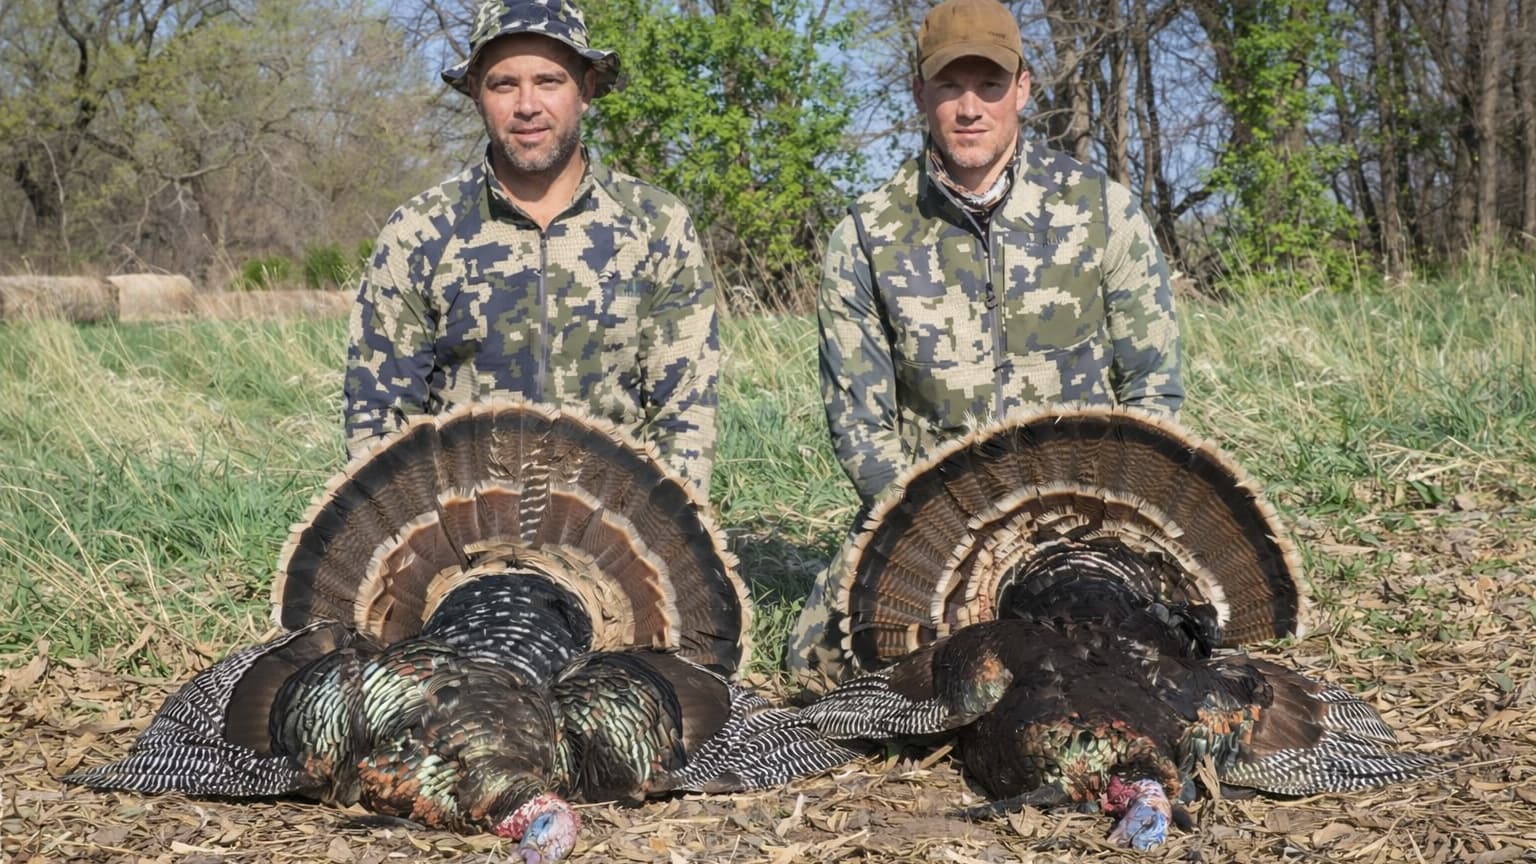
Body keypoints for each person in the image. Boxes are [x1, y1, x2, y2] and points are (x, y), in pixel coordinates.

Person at [788, 0, 1184, 683]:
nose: (970, 107)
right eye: (949, 85)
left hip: (1080, 514)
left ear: (1023, 89)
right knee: (816, 670)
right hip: (935, 523)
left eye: (990, 85)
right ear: (920, 92)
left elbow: (1153, 388)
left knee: (1174, 654)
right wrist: (927, 527)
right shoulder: (867, 234)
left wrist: (1115, 518)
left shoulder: (1101, 209)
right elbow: (859, 424)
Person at [343, 0, 720, 495]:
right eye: (504, 84)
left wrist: (668, 534)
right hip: (461, 530)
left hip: (615, 534)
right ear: (477, 93)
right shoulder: (420, 230)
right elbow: (380, 415)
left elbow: (684, 413)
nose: (526, 106)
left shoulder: (656, 224)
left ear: (584, 90)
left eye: (548, 81)